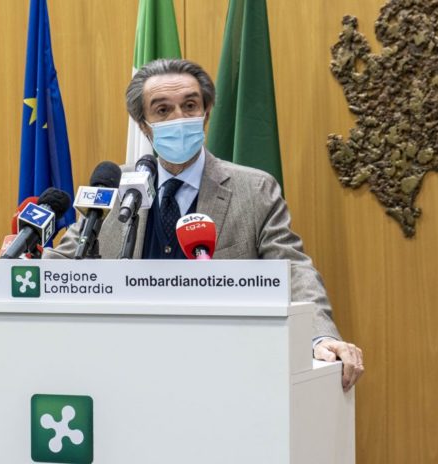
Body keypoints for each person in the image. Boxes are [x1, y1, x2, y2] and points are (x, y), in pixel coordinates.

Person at [45, 58, 364, 391]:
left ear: (206, 112)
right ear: (143, 125)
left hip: (224, 374)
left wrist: (320, 336)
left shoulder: (254, 190)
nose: (179, 118)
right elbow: (66, 262)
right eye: (163, 110)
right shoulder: (115, 188)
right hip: (124, 370)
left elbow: (293, 268)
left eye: (190, 106)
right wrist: (19, 266)